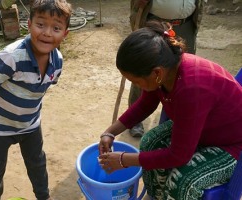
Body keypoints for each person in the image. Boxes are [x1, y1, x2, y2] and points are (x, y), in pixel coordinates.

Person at [98, 20, 242, 200]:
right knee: (149, 142)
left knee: (182, 182)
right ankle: (157, 196)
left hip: (232, 144)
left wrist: (123, 160)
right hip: (203, 130)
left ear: (156, 73)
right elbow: (145, 105)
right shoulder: (166, 72)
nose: (135, 85)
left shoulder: (191, 88)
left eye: (135, 81)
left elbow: (179, 155)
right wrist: (110, 133)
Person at [0, 0, 72, 199]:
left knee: (38, 165)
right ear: (29, 24)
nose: (47, 33)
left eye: (56, 28)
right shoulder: (11, 57)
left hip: (30, 125)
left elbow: (38, 90)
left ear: (65, 34)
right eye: (40, 24)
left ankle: (43, 196)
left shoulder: (58, 61)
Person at [128, 0, 204, 137]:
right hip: (155, 22)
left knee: (181, 74)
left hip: (186, 24)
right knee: (145, 69)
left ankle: (171, 120)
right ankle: (135, 120)